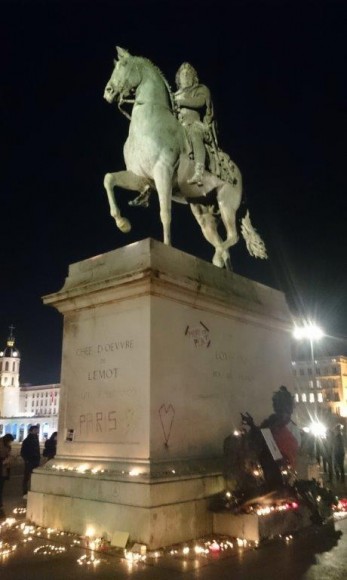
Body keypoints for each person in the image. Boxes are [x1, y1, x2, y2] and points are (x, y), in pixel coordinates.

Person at [173, 62, 215, 185]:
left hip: (196, 125)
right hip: (179, 127)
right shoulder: (174, 96)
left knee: (195, 132)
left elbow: (200, 102)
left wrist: (180, 102)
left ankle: (199, 172)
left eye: (188, 73)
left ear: (194, 77)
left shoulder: (200, 89)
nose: (185, 75)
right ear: (178, 78)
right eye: (182, 73)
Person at [20, 425, 41, 499]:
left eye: (37, 430)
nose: (37, 431)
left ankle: (32, 490)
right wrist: (27, 460)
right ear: (31, 431)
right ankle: (25, 492)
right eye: (35, 430)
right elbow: (22, 452)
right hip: (30, 461)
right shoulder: (27, 440)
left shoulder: (36, 439)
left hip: (35, 460)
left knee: (34, 476)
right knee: (27, 477)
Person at [0, 434, 15, 517]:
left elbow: (9, 455)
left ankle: (0, 504)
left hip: (3, 469)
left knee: (1, 487)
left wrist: (9, 459)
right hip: (1, 466)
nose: (10, 443)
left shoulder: (8, 446)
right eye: (10, 441)